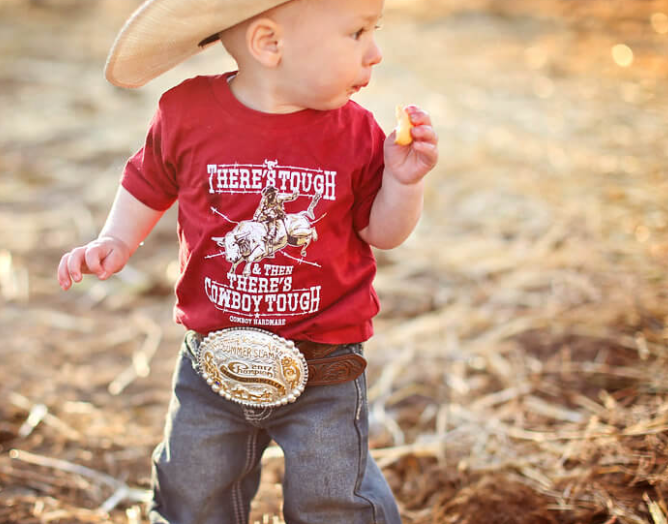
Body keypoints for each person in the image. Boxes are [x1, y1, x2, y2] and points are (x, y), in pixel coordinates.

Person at [56, 0, 439, 521]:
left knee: (333, 493)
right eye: (356, 34)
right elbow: (148, 181)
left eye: (374, 31)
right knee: (192, 486)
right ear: (269, 44)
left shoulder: (357, 132)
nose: (375, 53)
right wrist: (116, 240)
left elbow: (383, 233)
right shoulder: (185, 112)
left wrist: (404, 181)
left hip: (324, 361)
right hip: (212, 357)